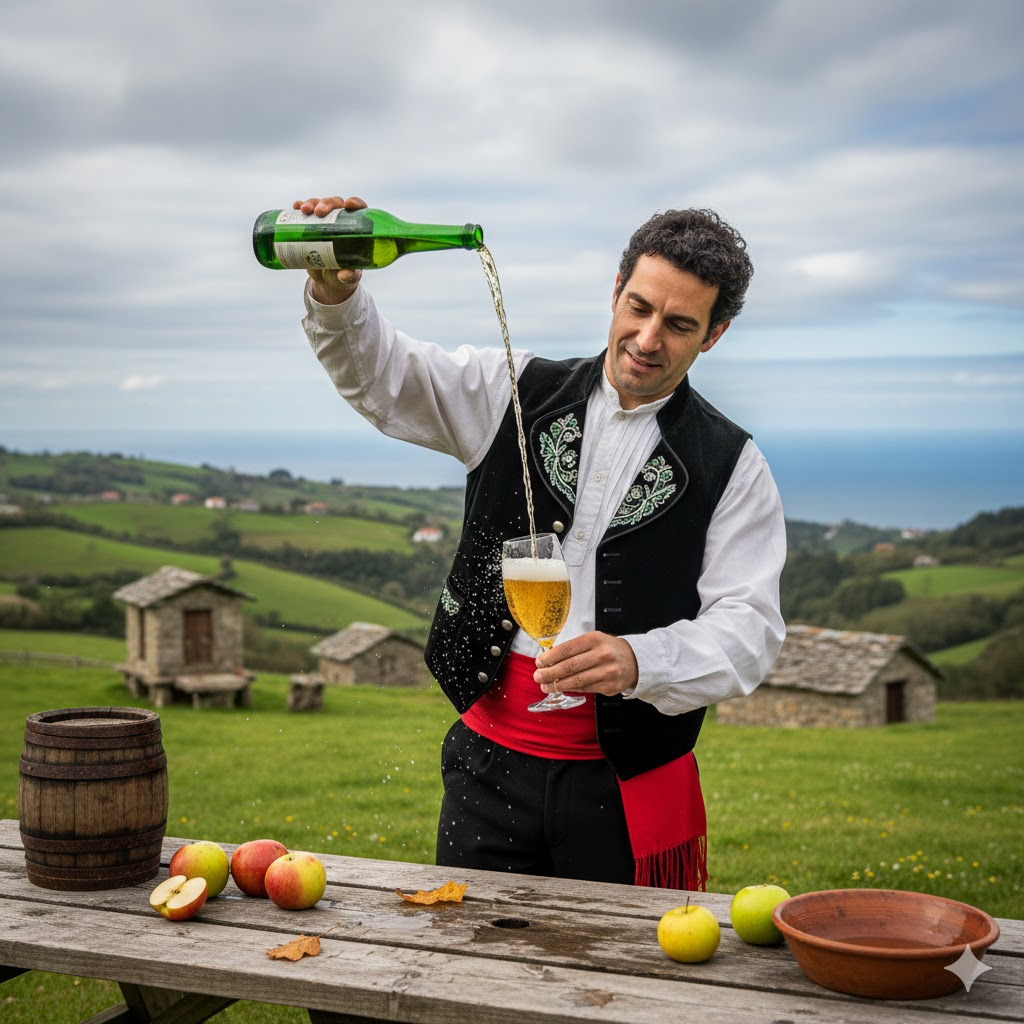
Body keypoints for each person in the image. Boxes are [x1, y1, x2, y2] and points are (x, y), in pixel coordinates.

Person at [296, 193, 786, 889]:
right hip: (485, 772)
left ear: (714, 335)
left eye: (679, 325)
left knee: (613, 987)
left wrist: (638, 659)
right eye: (640, 308)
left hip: (623, 790)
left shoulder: (732, 464)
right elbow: (384, 375)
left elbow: (751, 631)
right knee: (470, 974)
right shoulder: (512, 388)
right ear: (617, 292)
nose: (648, 340)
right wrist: (332, 289)